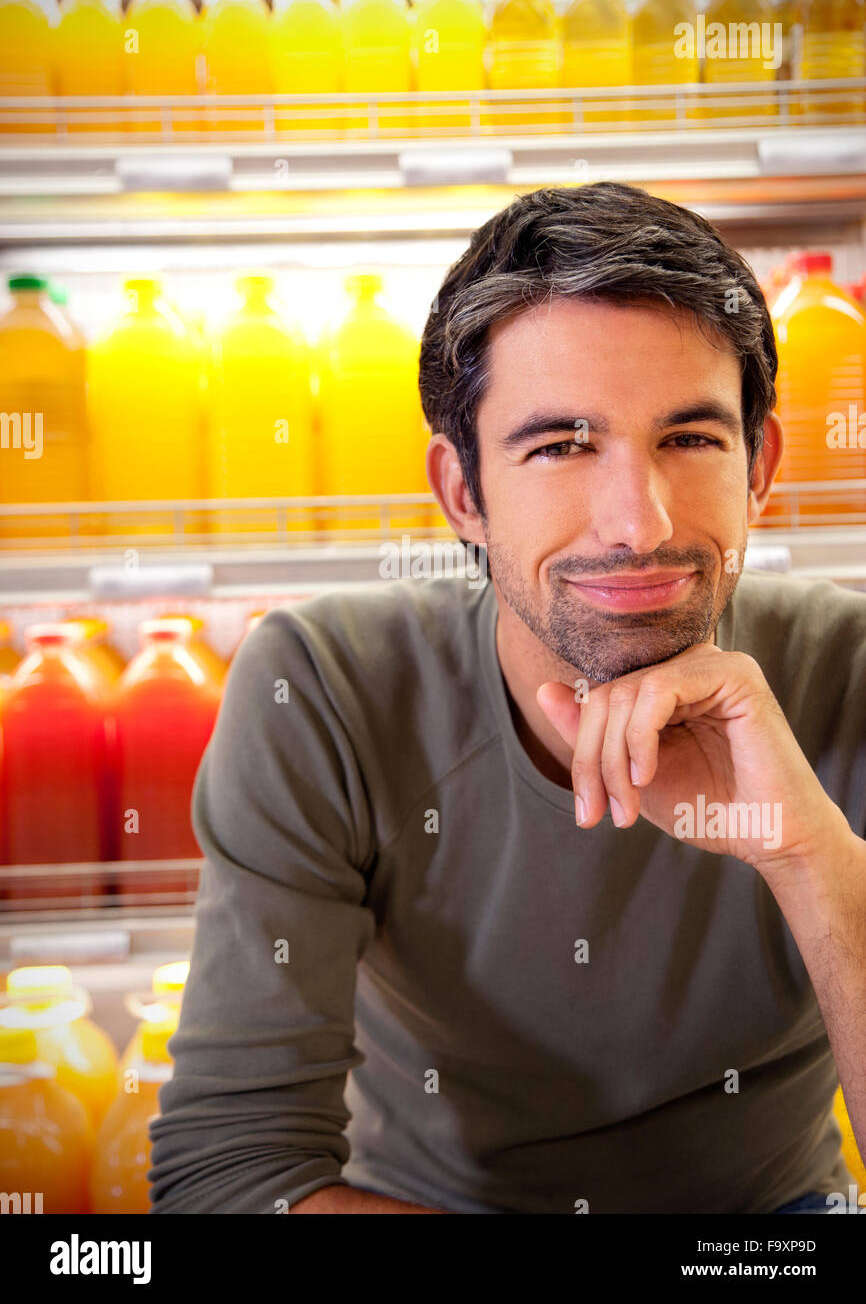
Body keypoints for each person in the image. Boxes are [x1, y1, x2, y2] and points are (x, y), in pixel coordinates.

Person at [149, 183, 866, 1215]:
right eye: (560, 444)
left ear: (759, 468)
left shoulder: (843, 670)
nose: (634, 520)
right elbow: (229, 1178)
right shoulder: (321, 688)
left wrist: (806, 852)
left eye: (690, 439)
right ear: (461, 493)